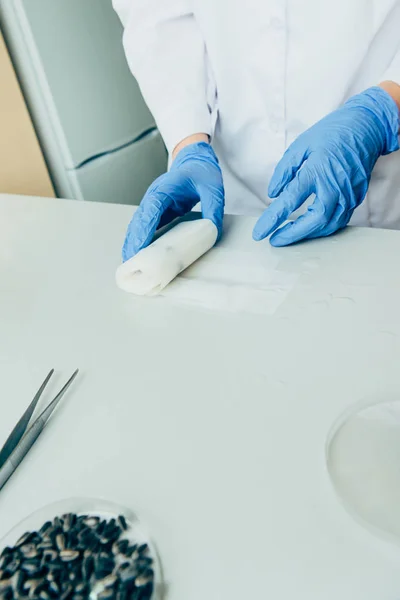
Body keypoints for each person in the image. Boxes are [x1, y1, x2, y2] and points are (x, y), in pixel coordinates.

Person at [112, 0, 400, 262]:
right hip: (232, 195)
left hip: (378, 200)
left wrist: (383, 111)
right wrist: (187, 140)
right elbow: (157, 14)